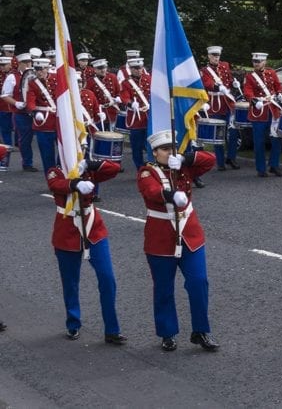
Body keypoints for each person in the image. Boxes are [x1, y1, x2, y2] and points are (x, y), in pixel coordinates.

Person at [137, 129, 219, 352]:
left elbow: (210, 160)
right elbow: (151, 191)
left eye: (173, 148)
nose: (169, 152)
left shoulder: (182, 167)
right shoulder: (147, 172)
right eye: (165, 149)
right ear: (155, 153)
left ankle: (201, 330)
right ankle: (167, 332)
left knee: (198, 282)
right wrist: (170, 195)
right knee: (164, 288)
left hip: (190, 233)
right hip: (161, 236)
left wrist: (186, 157)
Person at [46, 157, 127, 344]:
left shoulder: (86, 169)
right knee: (70, 282)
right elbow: (55, 184)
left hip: (94, 229)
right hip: (66, 231)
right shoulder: (55, 170)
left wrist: (91, 164)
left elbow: (114, 169)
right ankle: (73, 323)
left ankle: (112, 329)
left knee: (107, 278)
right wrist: (74, 183)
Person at [242, 52, 282, 178]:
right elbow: (247, 91)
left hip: (273, 110)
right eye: (254, 62)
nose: (256, 64)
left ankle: (274, 165)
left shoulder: (271, 73)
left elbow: (278, 86)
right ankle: (261, 168)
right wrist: (254, 101)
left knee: (277, 138)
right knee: (259, 141)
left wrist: (280, 93)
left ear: (264, 62)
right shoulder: (250, 77)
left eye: (259, 61)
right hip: (259, 112)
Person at [200, 46, 241, 171]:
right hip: (215, 104)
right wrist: (217, 87)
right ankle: (220, 161)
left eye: (217, 56)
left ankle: (231, 157)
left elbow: (228, 78)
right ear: (209, 56)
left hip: (227, 103)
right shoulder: (204, 70)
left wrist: (234, 83)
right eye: (213, 55)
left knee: (233, 131)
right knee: (218, 133)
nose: (216, 58)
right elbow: (206, 83)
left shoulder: (225, 65)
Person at [3, 53, 37, 171]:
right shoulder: (12, 77)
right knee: (25, 139)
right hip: (21, 112)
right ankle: (27, 163)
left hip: (37, 111)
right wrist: (16, 103)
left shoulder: (35, 75)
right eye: (25, 63)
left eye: (30, 62)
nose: (28, 65)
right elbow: (5, 95)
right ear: (20, 64)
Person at [26, 58, 58, 172]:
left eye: (41, 69)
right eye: (37, 69)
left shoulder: (57, 79)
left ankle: (64, 177)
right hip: (44, 122)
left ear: (47, 68)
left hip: (60, 121)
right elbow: (30, 100)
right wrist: (34, 111)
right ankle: (52, 179)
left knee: (65, 152)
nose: (39, 72)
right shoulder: (33, 83)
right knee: (47, 155)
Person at [119, 57, 152, 169]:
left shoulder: (149, 78)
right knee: (137, 145)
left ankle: (152, 164)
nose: (139, 70)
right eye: (136, 68)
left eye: (140, 68)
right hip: (136, 118)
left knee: (151, 143)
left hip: (149, 116)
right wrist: (131, 103)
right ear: (131, 69)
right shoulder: (126, 83)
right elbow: (124, 97)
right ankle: (140, 167)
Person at [86, 59, 120, 132]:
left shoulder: (112, 77)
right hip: (99, 111)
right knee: (99, 134)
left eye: (104, 68)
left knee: (112, 135)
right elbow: (89, 98)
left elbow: (119, 92)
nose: (103, 70)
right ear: (95, 70)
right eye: (100, 68)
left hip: (112, 110)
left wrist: (118, 98)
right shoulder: (90, 81)